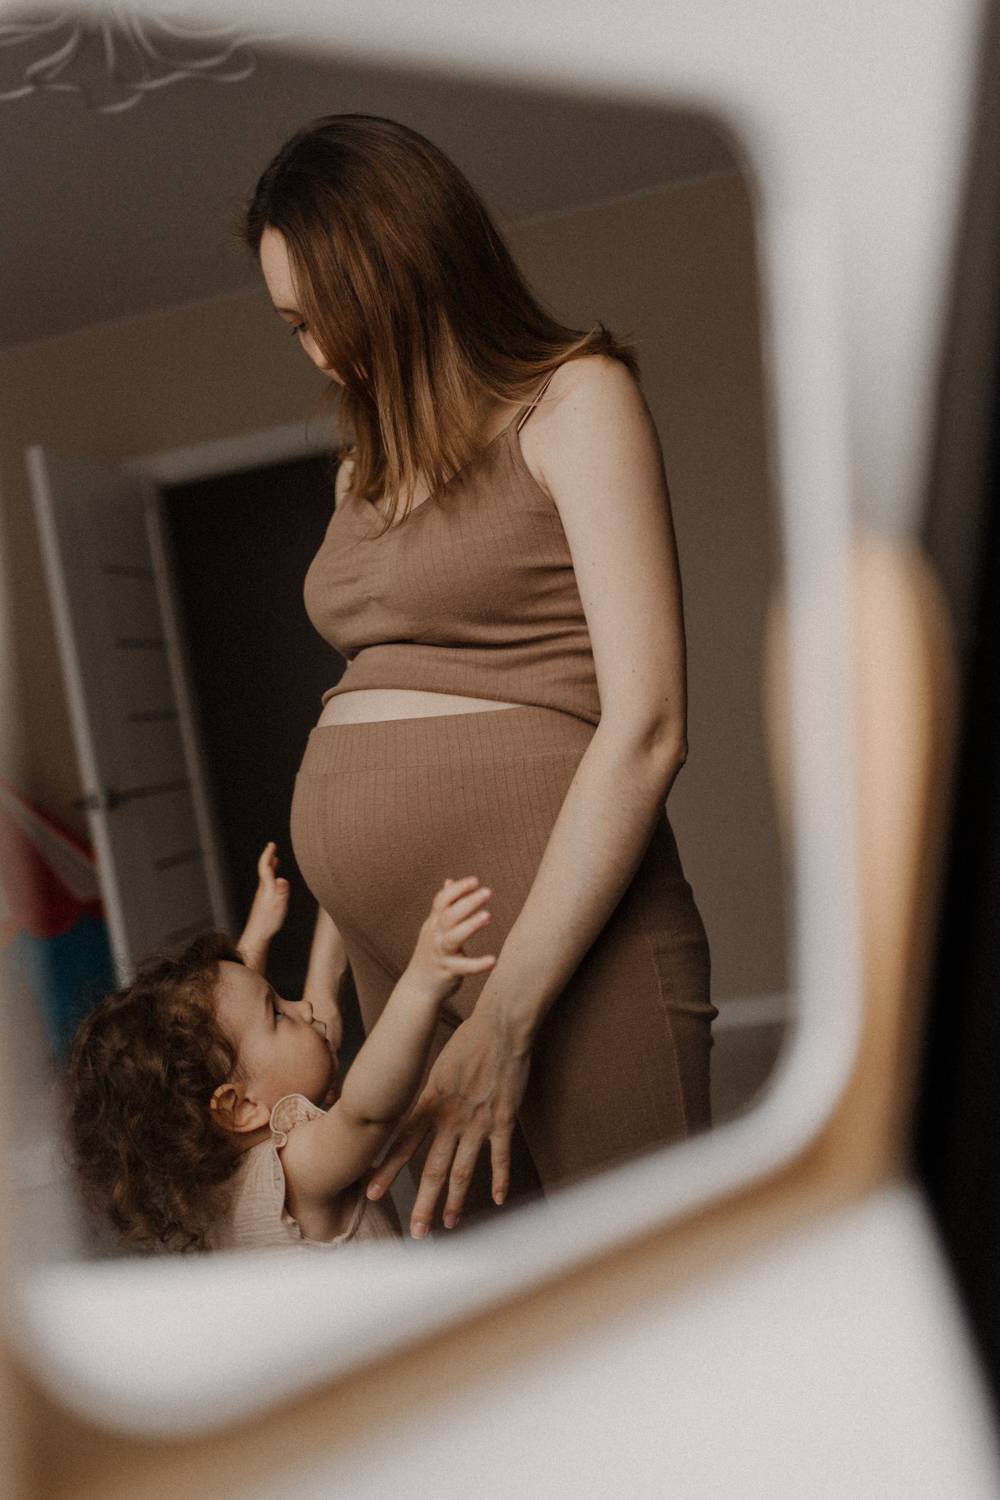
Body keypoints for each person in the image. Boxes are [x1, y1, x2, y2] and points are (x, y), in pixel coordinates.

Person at [243, 113, 718, 1241]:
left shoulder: (574, 399)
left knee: (635, 1280)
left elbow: (649, 726)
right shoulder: (360, 467)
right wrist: (324, 980)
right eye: (295, 324)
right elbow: (365, 703)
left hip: (570, 948)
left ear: (409, 268)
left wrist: (504, 1019)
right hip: (394, 962)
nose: (318, 351)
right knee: (485, 1291)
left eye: (330, 311)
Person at [65, 842, 497, 1253]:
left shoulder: (209, 1188)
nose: (303, 1007)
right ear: (240, 1107)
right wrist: (421, 983)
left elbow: (231, 1030)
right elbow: (365, 1114)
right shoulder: (297, 1171)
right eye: (277, 1013)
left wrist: (258, 934)